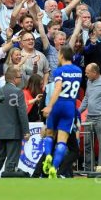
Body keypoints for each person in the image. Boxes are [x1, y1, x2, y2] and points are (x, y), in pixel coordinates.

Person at [42, 46, 82, 179]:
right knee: (62, 141)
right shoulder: (78, 71)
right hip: (70, 106)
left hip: (58, 103)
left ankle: (48, 155)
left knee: (49, 134)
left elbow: (58, 88)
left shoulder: (59, 71)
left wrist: (49, 106)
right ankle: (54, 168)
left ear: (62, 55)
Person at [0, 67, 29, 178]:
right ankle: (9, 176)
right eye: (20, 77)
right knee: (12, 158)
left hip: (1, 131)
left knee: (0, 155)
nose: (21, 79)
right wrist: (26, 131)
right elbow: (22, 113)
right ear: (14, 79)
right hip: (14, 132)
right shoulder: (18, 92)